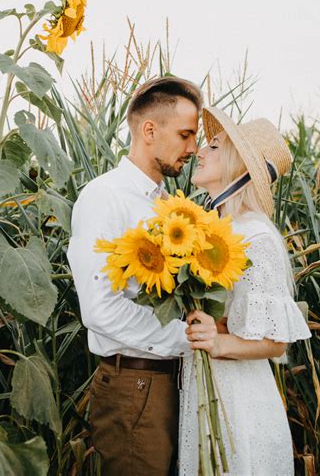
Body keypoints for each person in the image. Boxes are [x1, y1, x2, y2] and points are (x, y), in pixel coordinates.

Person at [67, 76, 202, 475]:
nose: (192, 148)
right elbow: (100, 310)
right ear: (148, 130)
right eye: (184, 134)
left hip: (170, 381)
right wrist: (190, 340)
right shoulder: (104, 198)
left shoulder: (167, 204)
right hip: (135, 386)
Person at [178, 107, 312, 475]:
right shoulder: (211, 230)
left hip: (238, 401)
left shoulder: (255, 236)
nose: (199, 152)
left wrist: (217, 342)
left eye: (215, 146)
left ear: (240, 166)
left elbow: (276, 342)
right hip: (205, 393)